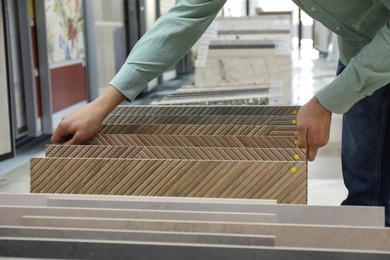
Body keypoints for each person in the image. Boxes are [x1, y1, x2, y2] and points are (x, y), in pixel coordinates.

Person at [51, 0, 390, 226]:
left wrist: (326, 101)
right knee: (367, 191)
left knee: (376, 194)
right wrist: (105, 101)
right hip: (362, 53)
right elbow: (183, 19)